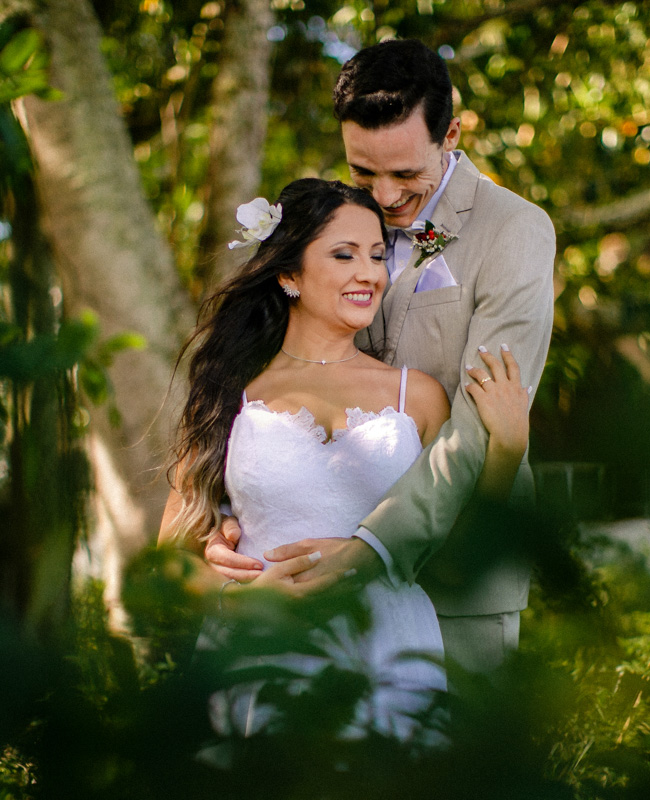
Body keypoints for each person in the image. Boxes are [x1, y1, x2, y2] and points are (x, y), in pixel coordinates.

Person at [205, 39, 556, 676]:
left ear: (450, 134)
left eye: (405, 176)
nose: (386, 196)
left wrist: (370, 553)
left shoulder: (515, 231)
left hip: (454, 579)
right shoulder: (337, 219)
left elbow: (482, 422)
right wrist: (230, 518)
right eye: (365, 173)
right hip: (297, 580)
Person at [159, 179, 531, 737]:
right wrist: (235, 597)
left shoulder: (419, 395)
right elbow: (168, 558)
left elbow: (459, 558)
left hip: (391, 653)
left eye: (378, 255)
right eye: (344, 254)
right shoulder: (230, 392)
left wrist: (508, 447)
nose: (370, 272)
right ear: (288, 274)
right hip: (261, 652)